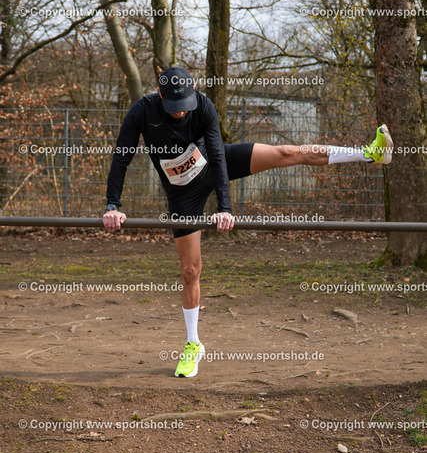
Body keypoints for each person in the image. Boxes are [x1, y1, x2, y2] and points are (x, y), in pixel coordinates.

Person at [103, 66, 393, 378]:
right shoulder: (141, 112)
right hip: (182, 194)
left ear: (194, 90)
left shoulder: (204, 105)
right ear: (159, 94)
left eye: (184, 106)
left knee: (286, 152)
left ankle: (370, 154)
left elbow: (217, 155)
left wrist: (224, 208)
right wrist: (113, 205)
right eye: (173, 108)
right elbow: (121, 157)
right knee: (190, 271)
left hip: (214, 164)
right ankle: (193, 343)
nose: (180, 113)